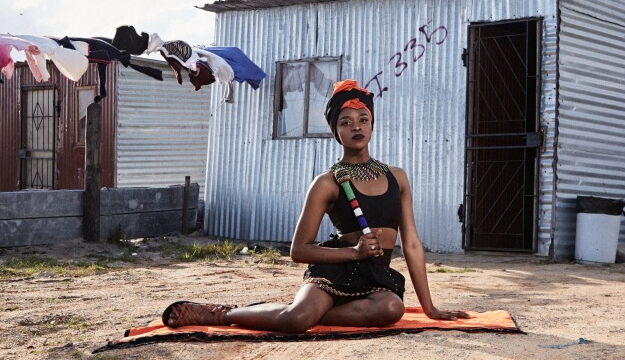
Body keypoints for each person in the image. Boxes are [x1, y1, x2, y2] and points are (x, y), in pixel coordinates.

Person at [163, 79, 469, 333]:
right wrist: (354, 252)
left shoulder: (397, 177)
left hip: (374, 276)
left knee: (392, 308)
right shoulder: (328, 182)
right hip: (335, 271)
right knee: (296, 321)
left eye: (364, 119)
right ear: (335, 131)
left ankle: (308, 312)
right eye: (346, 122)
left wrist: (429, 308)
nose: (356, 127)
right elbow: (299, 250)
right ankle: (223, 314)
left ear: (372, 125)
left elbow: (412, 244)